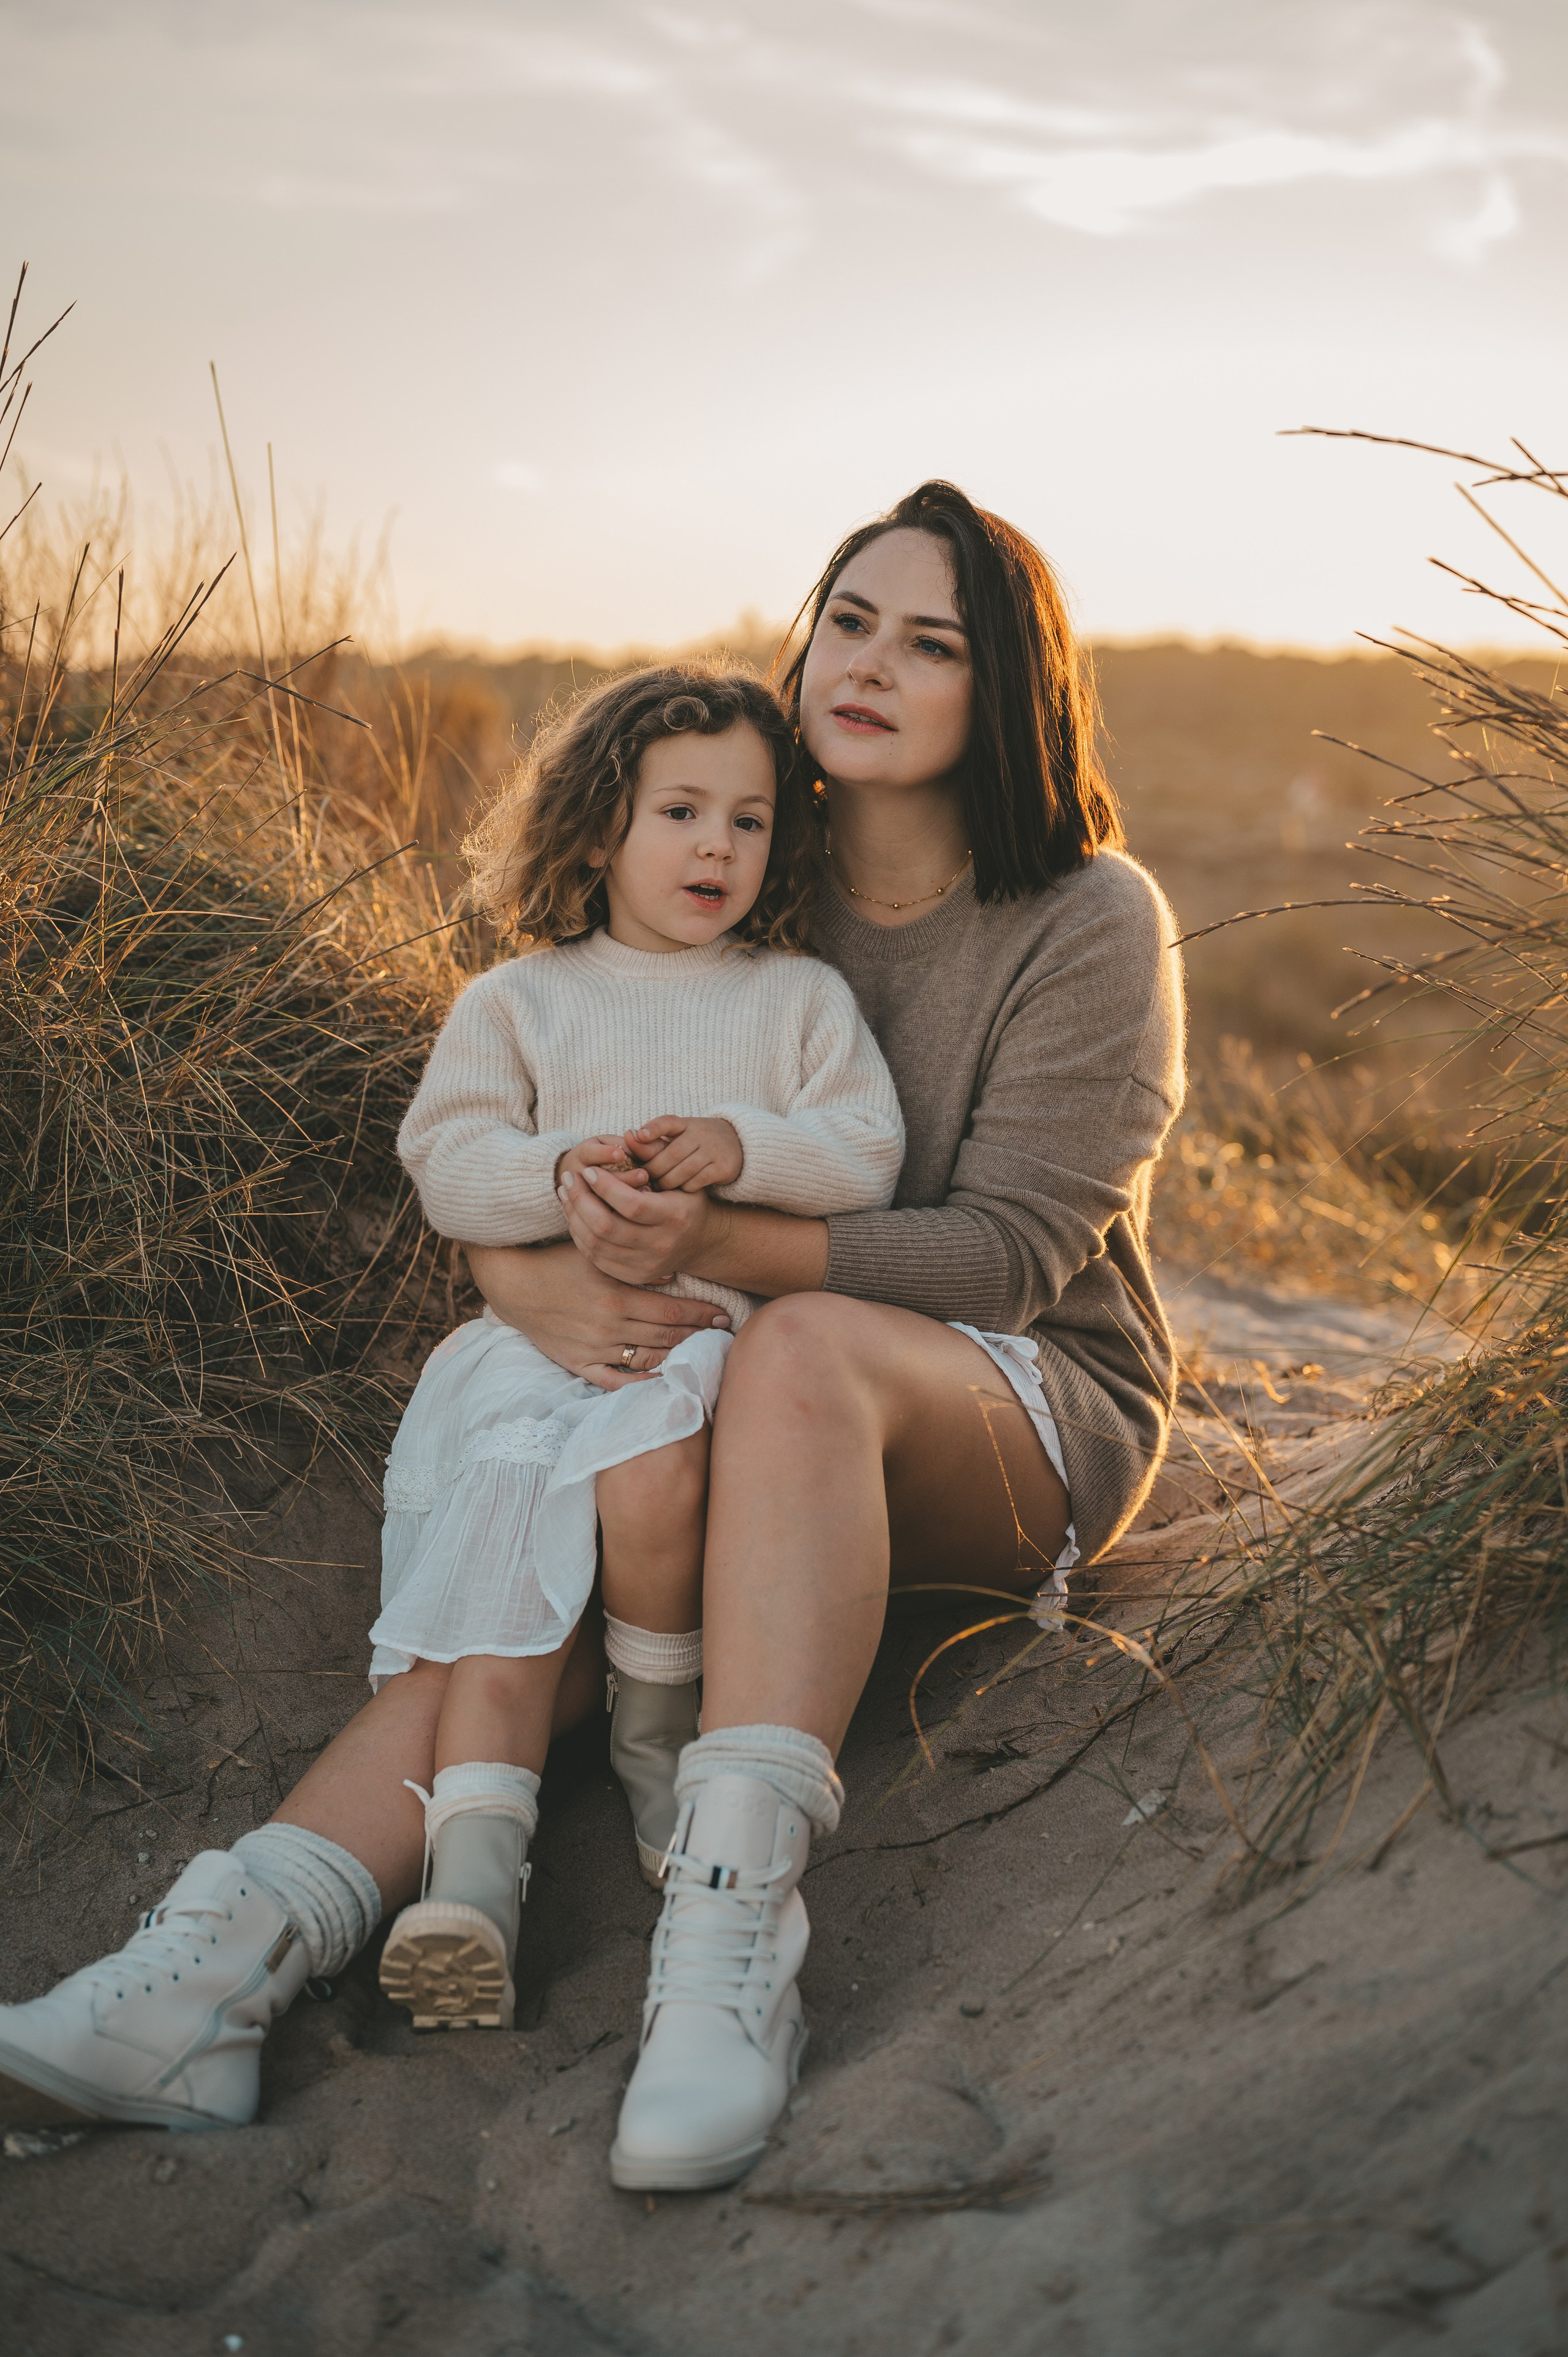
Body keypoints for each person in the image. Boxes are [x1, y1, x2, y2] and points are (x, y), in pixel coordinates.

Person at [0, 486, 1183, 2191]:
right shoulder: (735, 858)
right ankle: (219, 1966)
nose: (869, 666)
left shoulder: (1085, 915)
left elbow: (1006, 1259)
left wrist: (705, 1241)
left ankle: (727, 1943)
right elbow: (545, 1126)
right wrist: (526, 1283)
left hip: (1007, 1408)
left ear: (1008, 692)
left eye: (932, 645)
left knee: (795, 1354)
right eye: (849, 622)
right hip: (714, 1386)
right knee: (545, 1529)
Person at [371, 663, 903, 2033]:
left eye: (749, 820)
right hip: (536, 1362)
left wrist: (743, 1147)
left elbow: (866, 1152)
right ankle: (470, 1881)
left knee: (653, 1470)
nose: (717, 846)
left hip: (701, 1349)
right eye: (680, 812)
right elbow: (446, 1158)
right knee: (503, 1584)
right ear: (601, 824)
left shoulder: (795, 997)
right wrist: (556, 1174)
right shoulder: (520, 1001)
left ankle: (658, 1737)